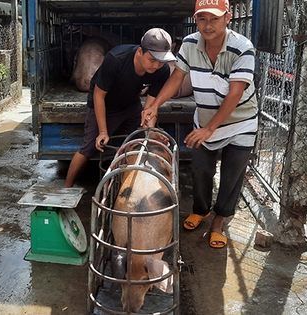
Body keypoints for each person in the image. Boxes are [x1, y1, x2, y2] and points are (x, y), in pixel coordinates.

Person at [141, 0, 258, 249]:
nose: (208, 25)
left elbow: (235, 95)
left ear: (227, 18)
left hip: (241, 123)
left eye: (214, 18)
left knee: (231, 177)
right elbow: (176, 78)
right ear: (196, 20)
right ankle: (202, 210)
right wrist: (154, 106)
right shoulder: (191, 44)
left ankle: (219, 221)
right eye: (202, 18)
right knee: (201, 169)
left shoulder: (242, 48)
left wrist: (209, 129)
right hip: (205, 120)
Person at [64, 28, 176, 188]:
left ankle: (122, 185)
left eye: (162, 60)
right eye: (152, 60)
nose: (157, 65)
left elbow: (150, 108)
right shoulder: (116, 59)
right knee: (88, 147)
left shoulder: (162, 70)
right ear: (139, 52)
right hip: (104, 103)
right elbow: (98, 95)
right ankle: (66, 189)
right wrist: (103, 131)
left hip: (130, 104)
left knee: (133, 143)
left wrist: (149, 133)